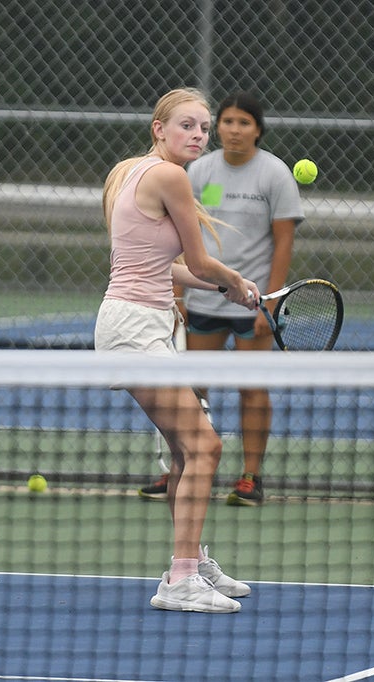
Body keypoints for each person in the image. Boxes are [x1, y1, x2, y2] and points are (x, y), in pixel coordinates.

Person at [94, 88, 260, 613]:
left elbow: (167, 267)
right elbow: (201, 259)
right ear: (158, 129)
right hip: (136, 329)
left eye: (203, 128)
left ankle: (191, 561)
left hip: (139, 323)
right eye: (186, 125)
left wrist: (223, 287)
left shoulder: (133, 171)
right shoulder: (170, 176)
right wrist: (232, 279)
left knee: (188, 450)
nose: (198, 135)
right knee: (207, 447)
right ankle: (179, 579)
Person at [138, 91, 304, 506]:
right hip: (205, 299)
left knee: (252, 388)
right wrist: (178, 295)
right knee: (193, 389)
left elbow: (283, 242)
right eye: (226, 122)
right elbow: (177, 239)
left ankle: (251, 477)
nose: (233, 130)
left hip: (253, 303)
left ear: (258, 130)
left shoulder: (275, 174)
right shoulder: (198, 171)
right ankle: (184, 471)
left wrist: (272, 302)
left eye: (243, 123)